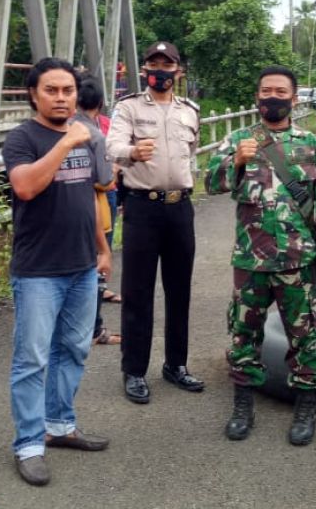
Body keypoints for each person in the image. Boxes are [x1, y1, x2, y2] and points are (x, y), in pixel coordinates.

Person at [205, 65, 316, 447]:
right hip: (250, 261)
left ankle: (305, 405)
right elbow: (210, 183)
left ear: (293, 98)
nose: (273, 97)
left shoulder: (310, 144)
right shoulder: (238, 139)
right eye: (266, 90)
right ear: (257, 96)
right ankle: (243, 404)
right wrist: (234, 161)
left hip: (297, 261)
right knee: (243, 334)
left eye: (281, 91)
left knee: (304, 336)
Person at [3, 58, 111, 487]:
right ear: (34, 94)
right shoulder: (22, 138)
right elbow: (26, 186)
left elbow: (88, 196)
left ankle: (60, 425)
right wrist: (65, 143)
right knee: (32, 359)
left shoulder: (83, 136)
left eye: (68, 90)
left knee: (74, 350)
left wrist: (103, 248)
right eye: (52, 90)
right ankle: (29, 444)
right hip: (38, 271)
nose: (62, 97)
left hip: (83, 265)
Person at [105, 41, 203, 404]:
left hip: (180, 208)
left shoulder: (190, 110)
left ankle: (176, 365)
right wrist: (131, 152)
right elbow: (110, 146)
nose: (160, 70)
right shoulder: (128, 107)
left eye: (168, 64)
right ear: (145, 69)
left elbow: (190, 155)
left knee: (180, 291)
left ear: (179, 71)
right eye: (153, 63)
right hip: (142, 208)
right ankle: (133, 370)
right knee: (138, 292)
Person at [73, 75, 120, 347]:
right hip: (97, 205)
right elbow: (104, 181)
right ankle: (94, 329)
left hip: (68, 210)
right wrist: (114, 171)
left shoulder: (62, 129)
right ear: (100, 104)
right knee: (99, 265)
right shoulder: (96, 134)